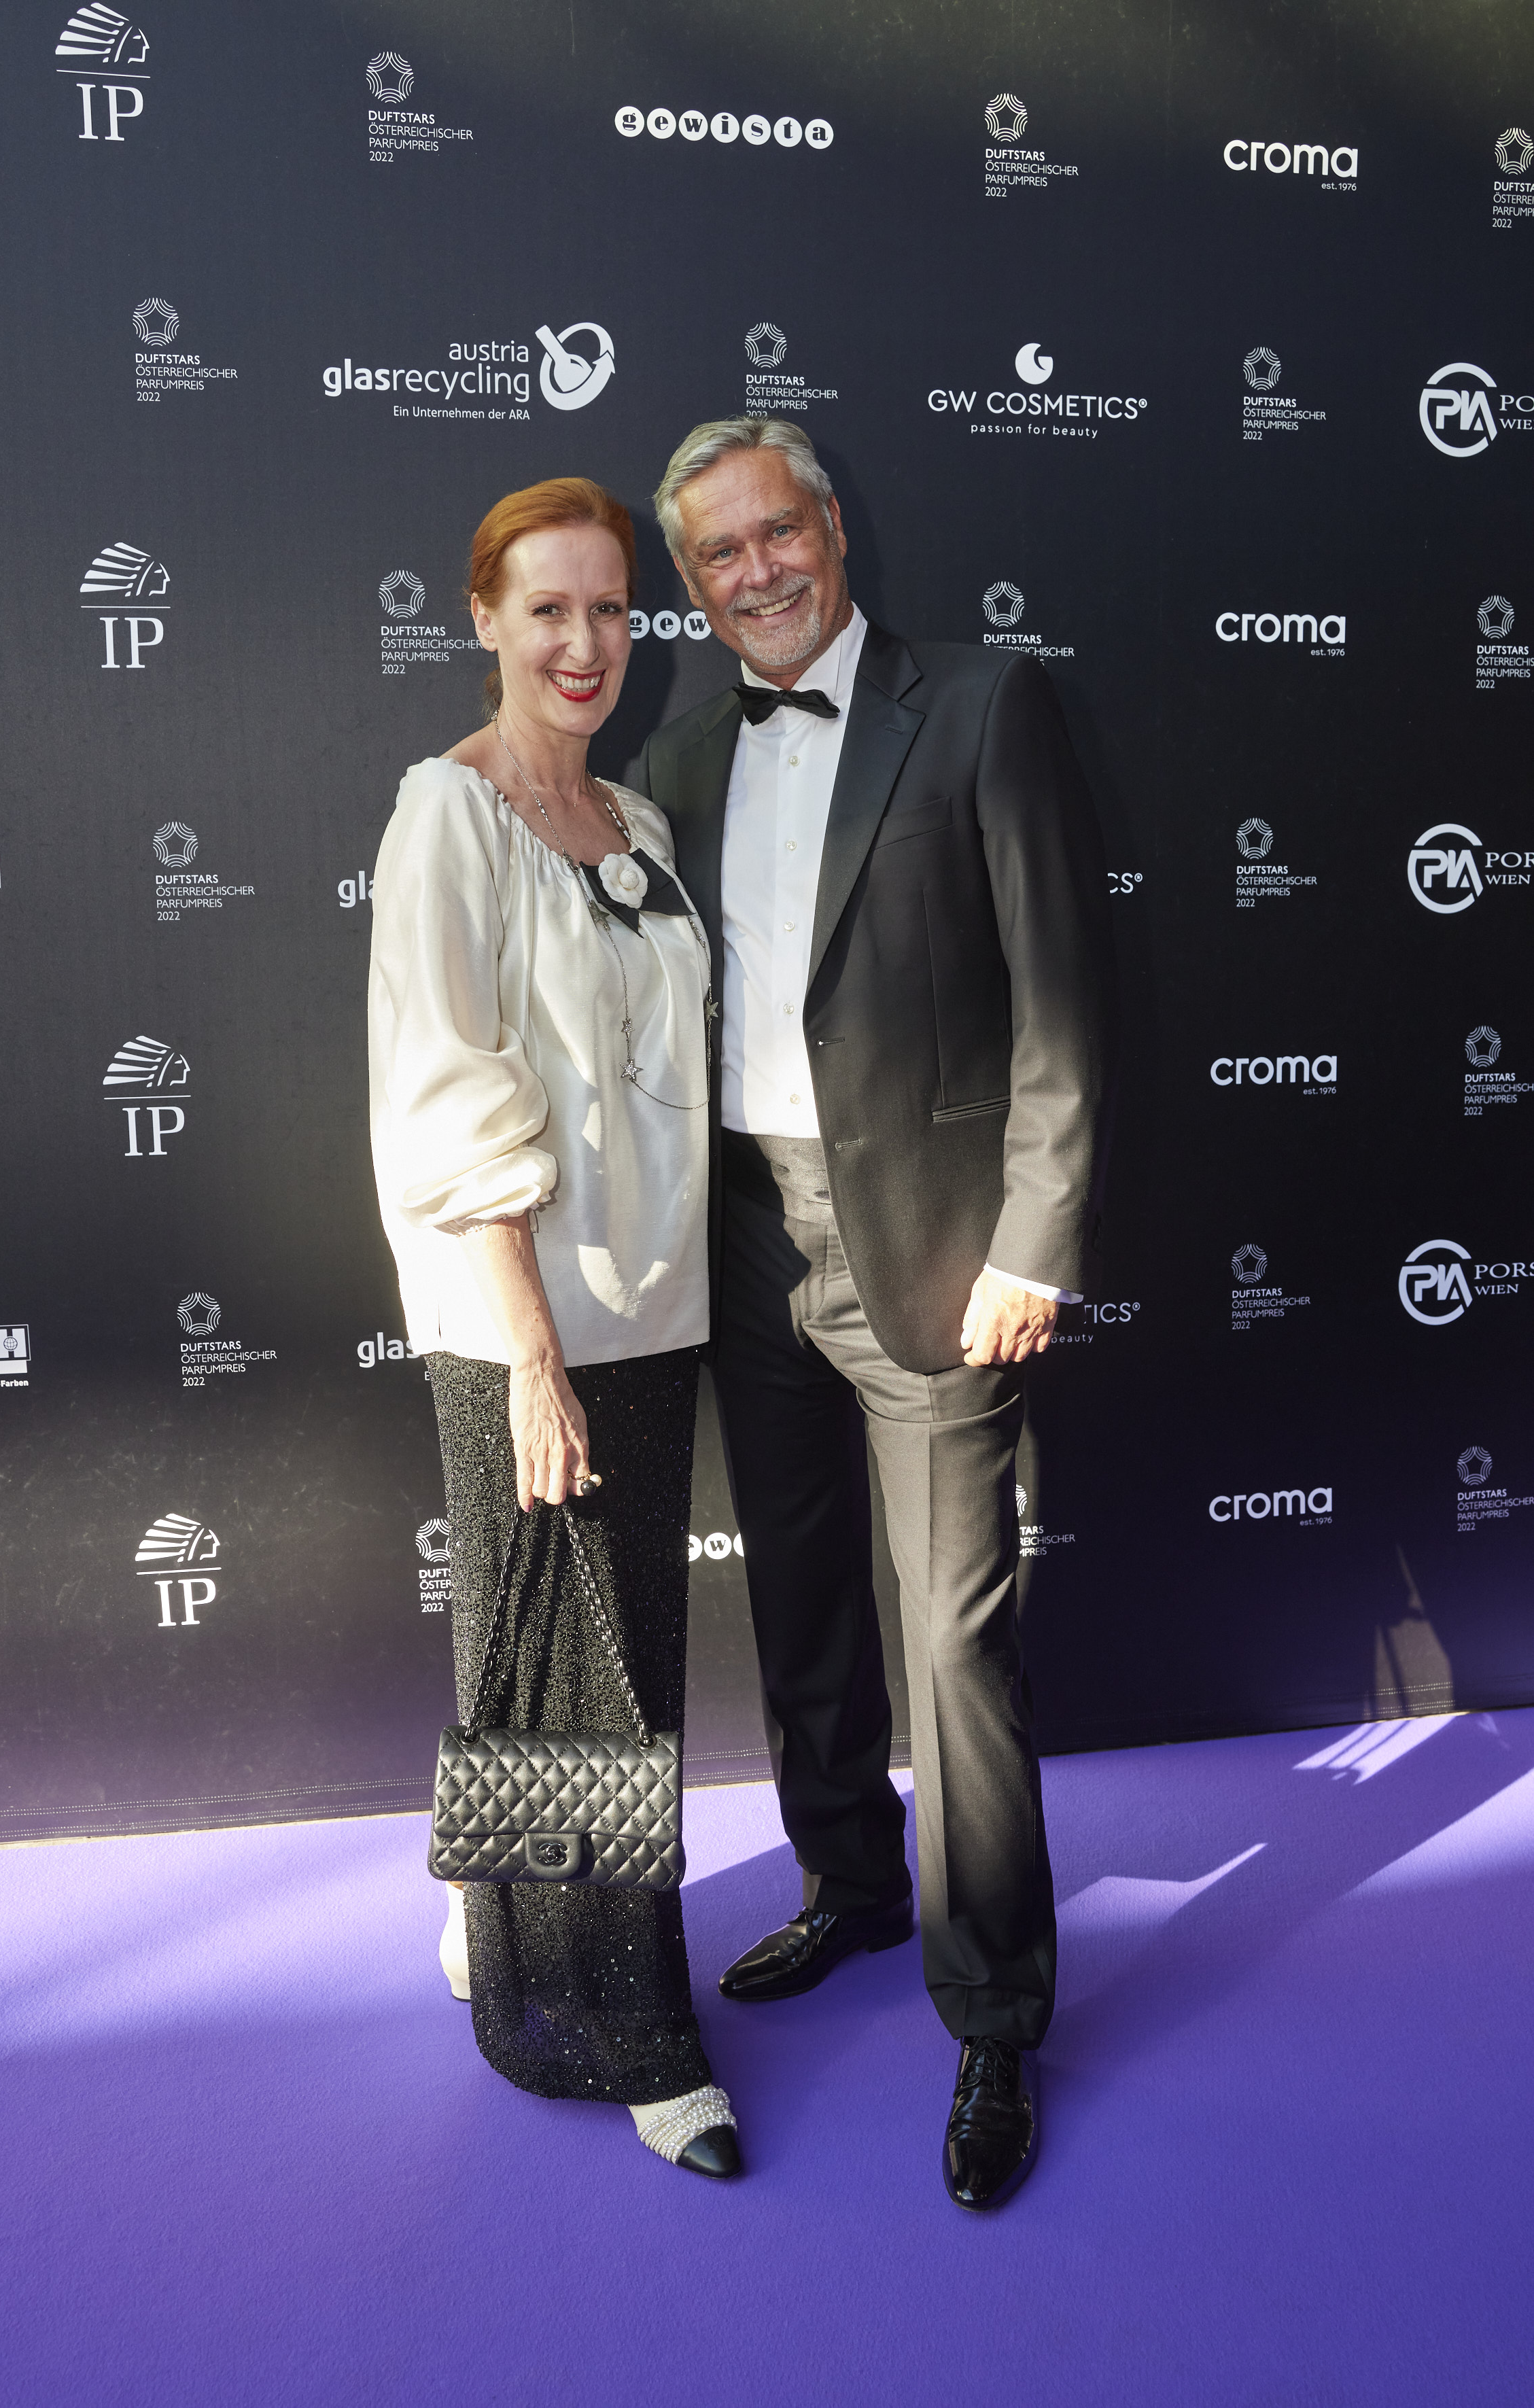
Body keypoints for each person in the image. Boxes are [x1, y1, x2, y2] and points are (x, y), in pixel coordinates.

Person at [635, 419, 1116, 2211]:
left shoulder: (982, 704)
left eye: (778, 532)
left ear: (832, 529)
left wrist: (1033, 1242)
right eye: (718, 554)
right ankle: (846, 1878)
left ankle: (993, 2010)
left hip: (935, 1239)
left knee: (957, 1641)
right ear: (692, 586)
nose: (755, 571)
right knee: (800, 1591)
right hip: (744, 1233)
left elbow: (1062, 998)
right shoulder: (679, 755)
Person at [367, 476, 739, 2178]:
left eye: (610, 609)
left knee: (599, 1646)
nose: (585, 643)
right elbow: (453, 1093)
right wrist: (528, 1350)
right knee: (580, 1665)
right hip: (521, 1315)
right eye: (549, 611)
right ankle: (615, 2027)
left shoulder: (636, 821)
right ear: (487, 622)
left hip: (655, 1305)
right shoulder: (448, 814)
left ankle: (491, 1893)